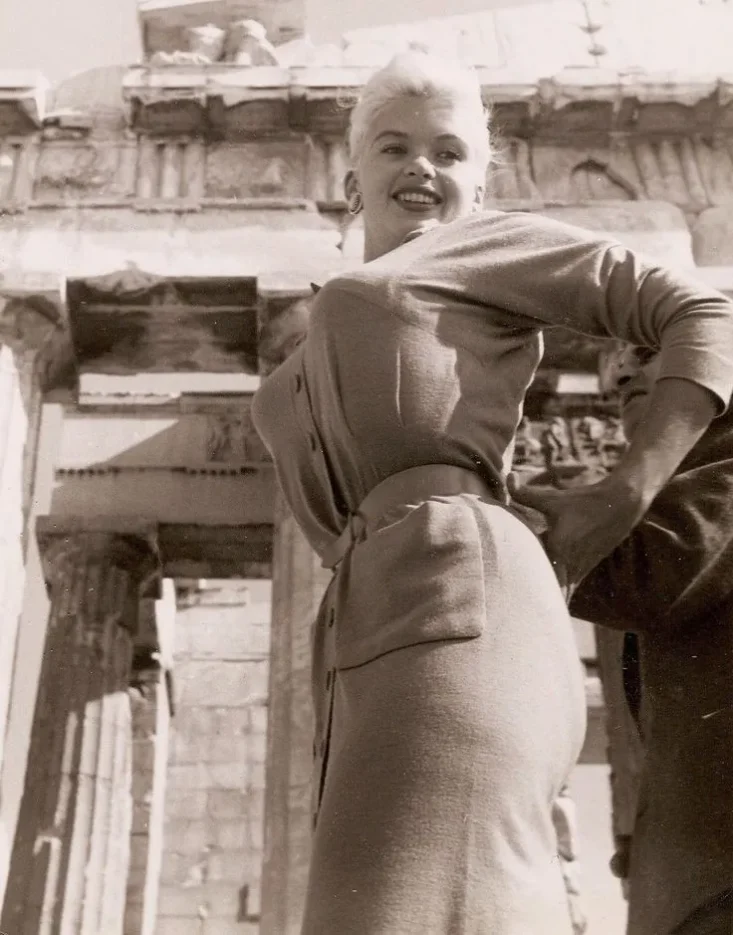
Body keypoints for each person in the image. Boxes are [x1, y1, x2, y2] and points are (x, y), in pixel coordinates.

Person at [251, 50, 733, 934]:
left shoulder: (486, 244)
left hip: (456, 592)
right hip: (358, 630)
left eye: (449, 151)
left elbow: (703, 315)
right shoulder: (318, 336)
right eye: (393, 148)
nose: (421, 169)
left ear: (482, 176)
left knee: (438, 899)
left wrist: (624, 492)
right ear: (349, 171)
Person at [551, 343, 733, 935]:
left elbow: (639, 574)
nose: (619, 371)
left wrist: (463, 494)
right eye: (612, 358)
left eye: (648, 350)